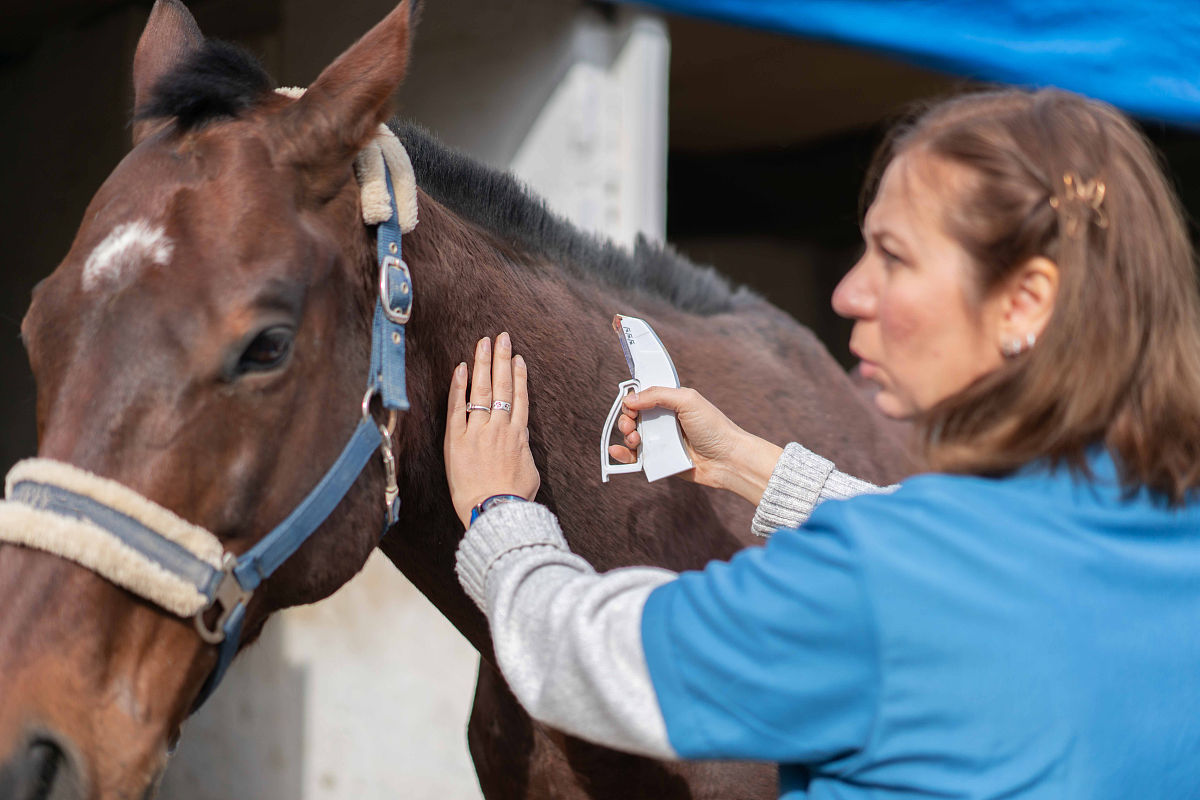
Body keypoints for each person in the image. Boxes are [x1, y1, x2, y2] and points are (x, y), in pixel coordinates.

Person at [441, 88, 1200, 798]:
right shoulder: (1168, 521)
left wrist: (501, 517)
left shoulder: (879, 580)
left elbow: (593, 660)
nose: (849, 293)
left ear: (1025, 303)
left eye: (894, 257)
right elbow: (965, 559)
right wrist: (740, 459)